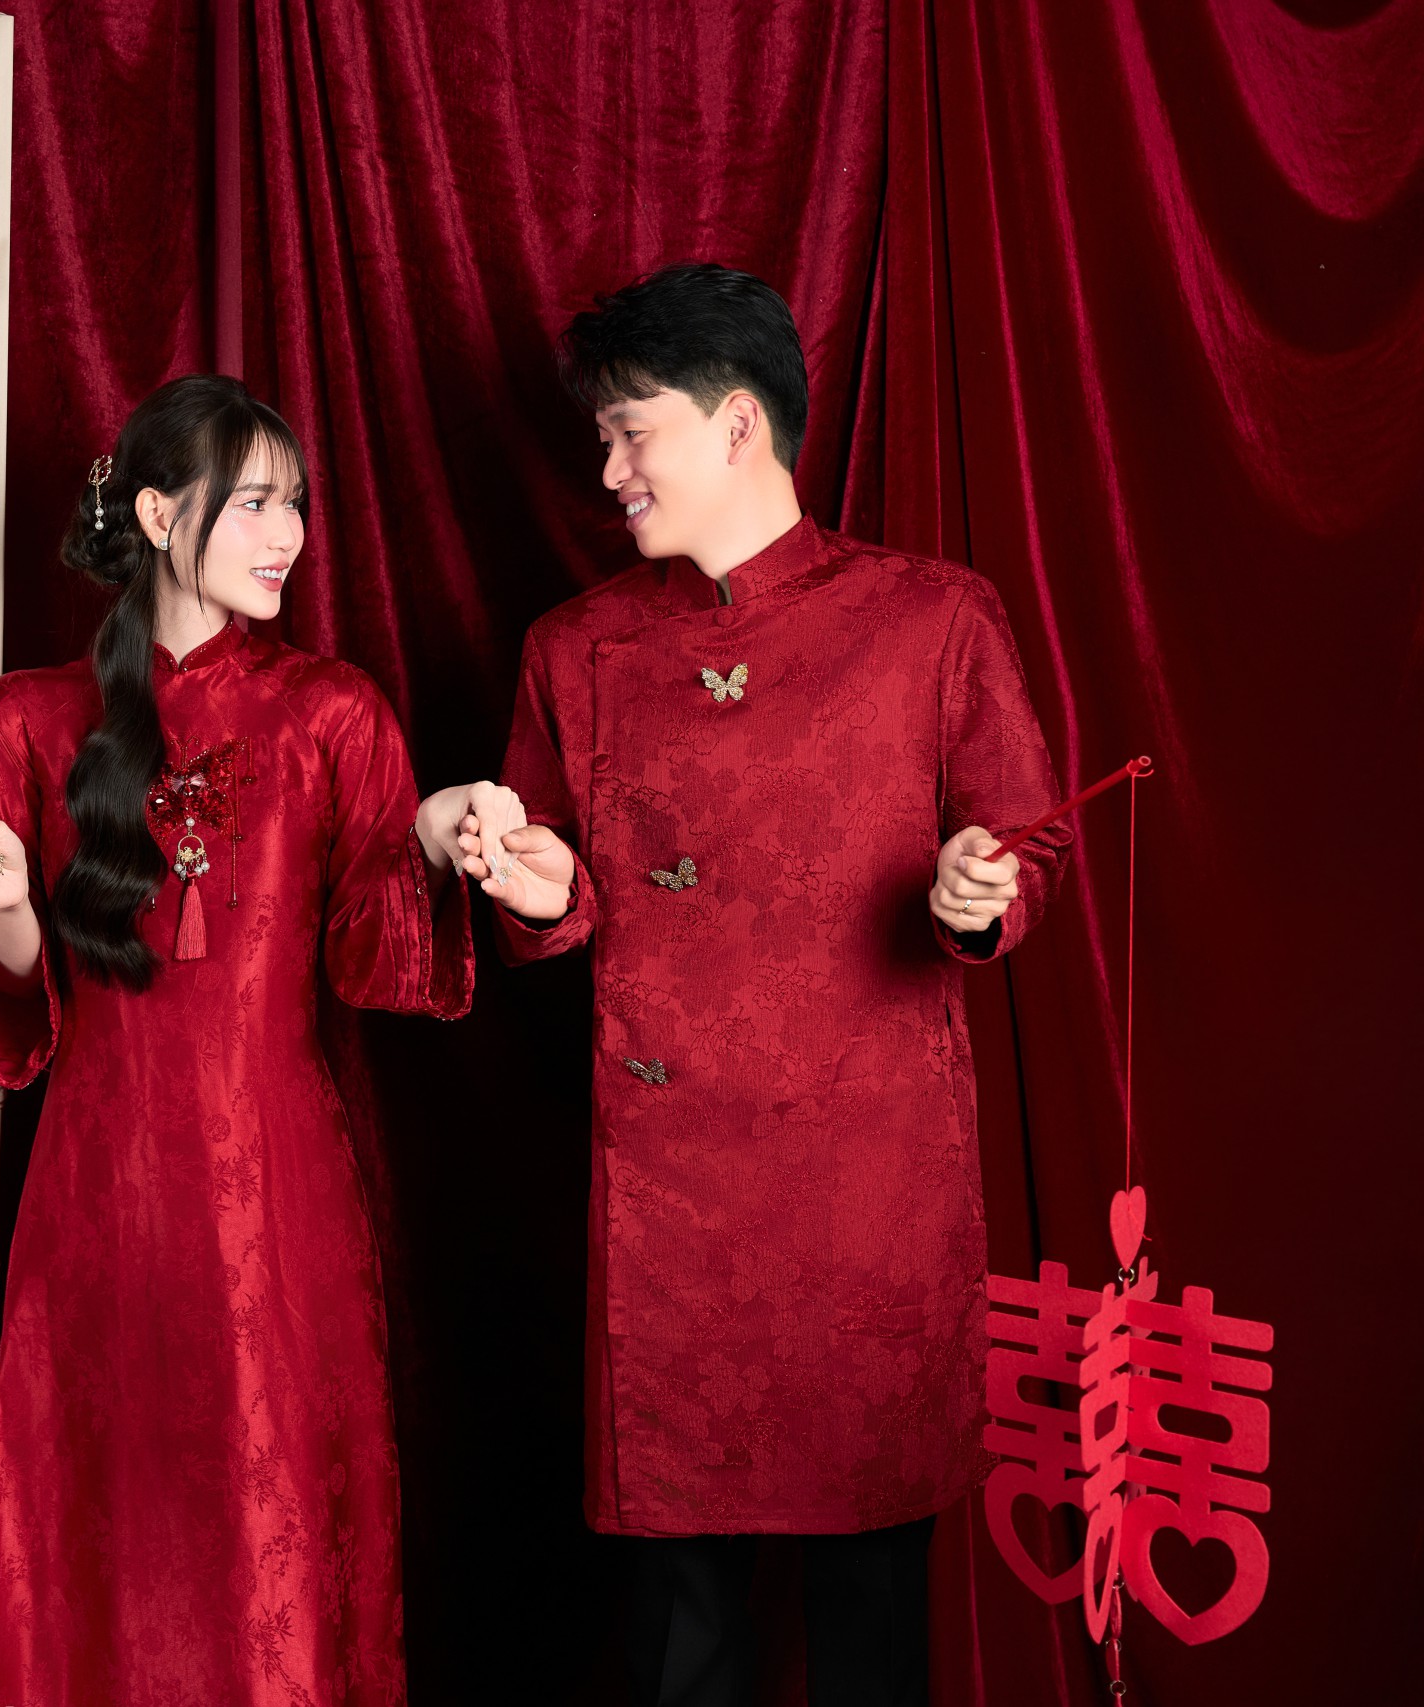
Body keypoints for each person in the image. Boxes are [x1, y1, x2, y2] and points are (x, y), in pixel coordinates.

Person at [462, 264, 1072, 1707]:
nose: (609, 472)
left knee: (872, 1639)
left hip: (870, 1205)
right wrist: (536, 895)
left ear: (738, 424)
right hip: (670, 1212)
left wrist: (981, 891)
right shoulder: (576, 647)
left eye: (631, 433)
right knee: (681, 1644)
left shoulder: (934, 618)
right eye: (603, 440)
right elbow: (553, 887)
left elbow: (1027, 841)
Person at [0, 375, 505, 1707]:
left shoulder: (332, 712)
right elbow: (16, 1016)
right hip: (98, 1202)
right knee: (105, 1537)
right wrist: (9, 907)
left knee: (274, 1536)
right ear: (157, 513)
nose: (289, 535)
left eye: (295, 504)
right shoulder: (24, 721)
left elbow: (374, 960)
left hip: (278, 1203)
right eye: (253, 503)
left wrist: (430, 844)